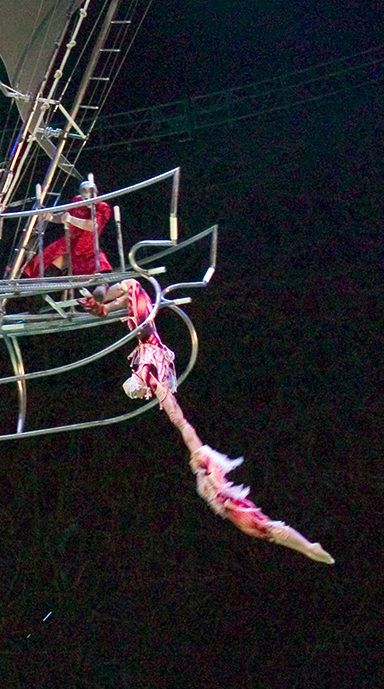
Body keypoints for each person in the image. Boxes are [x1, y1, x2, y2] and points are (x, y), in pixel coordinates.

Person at [101, 278, 334, 564]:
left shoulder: (210, 477)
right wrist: (161, 393)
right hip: (228, 500)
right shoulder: (148, 365)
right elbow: (179, 420)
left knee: (268, 529)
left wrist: (161, 393)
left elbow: (181, 421)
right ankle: (309, 547)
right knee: (268, 529)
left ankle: (309, 547)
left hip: (228, 502)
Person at [23, 173, 113, 279]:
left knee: (99, 268)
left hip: (87, 247)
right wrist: (51, 217)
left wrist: (71, 219)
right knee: (47, 261)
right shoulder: (77, 201)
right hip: (69, 242)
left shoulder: (102, 207)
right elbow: (65, 217)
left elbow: (93, 225)